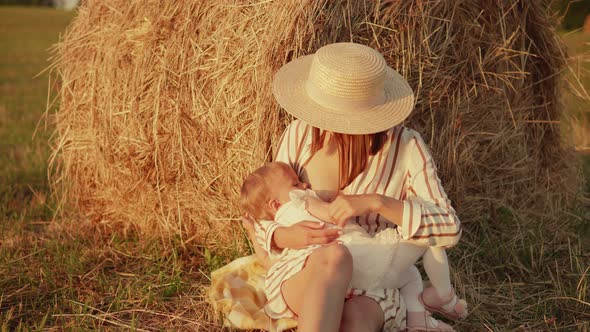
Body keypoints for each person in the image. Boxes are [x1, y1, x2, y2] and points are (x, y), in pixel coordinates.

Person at [241, 42, 465, 332]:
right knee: (335, 256)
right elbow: (265, 212)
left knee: (353, 321)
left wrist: (375, 202)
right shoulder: (299, 134)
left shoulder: (406, 147)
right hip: (305, 270)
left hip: (370, 284)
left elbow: (449, 227)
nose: (324, 124)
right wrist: (284, 235)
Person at [240, 161, 458, 331]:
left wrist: (252, 232)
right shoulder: (301, 201)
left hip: (315, 282)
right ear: (275, 204)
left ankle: (425, 309)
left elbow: (267, 260)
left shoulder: (278, 219)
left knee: (355, 313)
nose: (304, 185)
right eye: (296, 184)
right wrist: (342, 201)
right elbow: (332, 214)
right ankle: (439, 302)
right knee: (339, 256)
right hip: (336, 267)